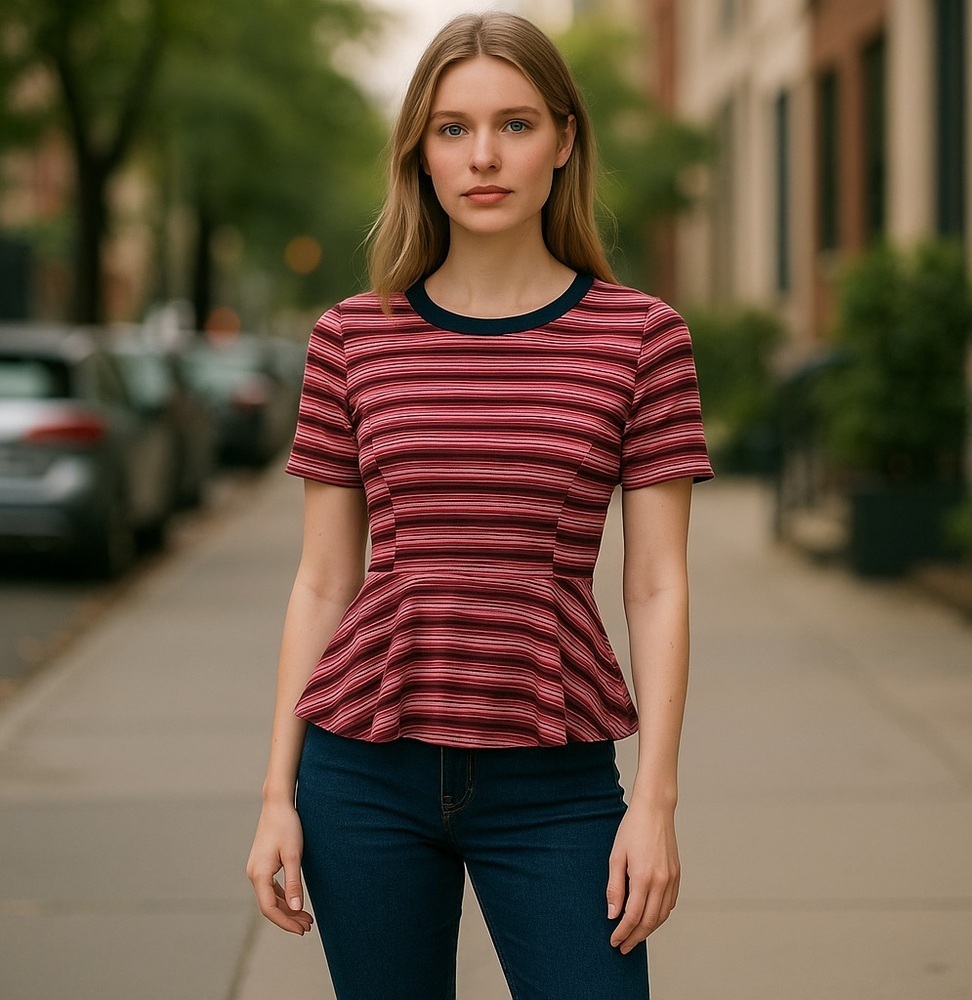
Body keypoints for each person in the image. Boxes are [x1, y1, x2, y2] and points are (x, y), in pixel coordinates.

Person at [246, 11, 713, 1000]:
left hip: (554, 782)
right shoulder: (350, 337)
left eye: (514, 123)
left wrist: (658, 803)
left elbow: (658, 581)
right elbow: (324, 578)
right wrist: (277, 794)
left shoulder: (640, 337)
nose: (484, 155)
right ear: (419, 152)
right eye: (452, 129)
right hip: (363, 775)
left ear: (564, 139)